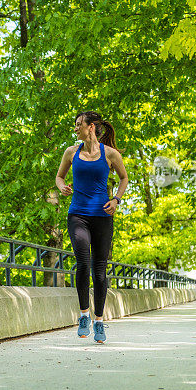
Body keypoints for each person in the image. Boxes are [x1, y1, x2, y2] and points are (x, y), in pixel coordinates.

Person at [55, 111, 128, 343]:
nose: (75, 128)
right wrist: (62, 186)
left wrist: (116, 199)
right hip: (77, 214)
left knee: (99, 270)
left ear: (91, 127)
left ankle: (99, 321)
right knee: (83, 263)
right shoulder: (71, 152)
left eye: (79, 125)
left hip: (102, 217)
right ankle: (84, 315)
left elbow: (124, 178)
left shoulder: (110, 154)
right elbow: (59, 177)